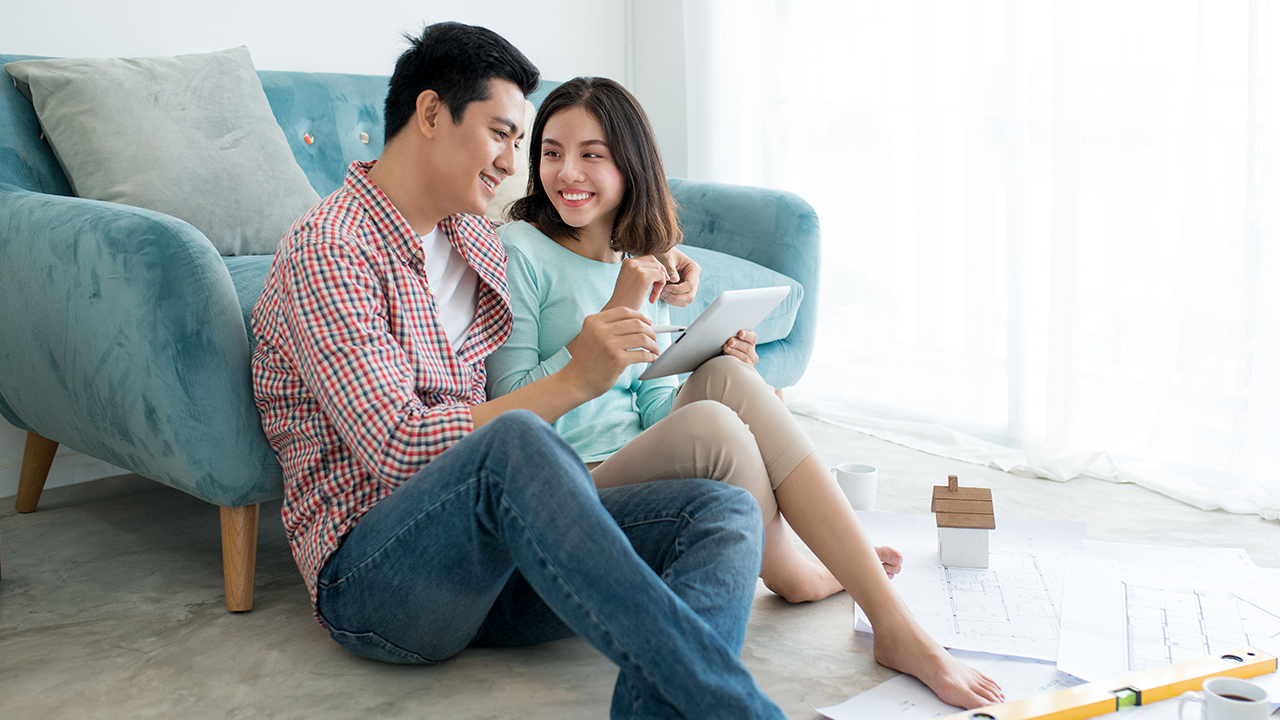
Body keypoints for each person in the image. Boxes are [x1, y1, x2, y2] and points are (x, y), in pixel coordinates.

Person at [250, 24, 788, 719]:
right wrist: (574, 380)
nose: (513, 161)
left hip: (504, 564)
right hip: (379, 582)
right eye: (502, 133)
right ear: (432, 114)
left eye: (516, 141)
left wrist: (666, 256)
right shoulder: (329, 250)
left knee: (722, 512)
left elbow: (578, 239)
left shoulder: (469, 232)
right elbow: (397, 449)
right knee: (517, 441)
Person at [485, 76, 1005, 709]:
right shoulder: (521, 250)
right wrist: (606, 329)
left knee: (731, 379)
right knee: (715, 426)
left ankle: (871, 611)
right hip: (565, 483)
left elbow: (650, 406)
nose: (568, 172)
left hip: (637, 467)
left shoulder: (640, 265)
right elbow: (508, 408)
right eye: (551, 152)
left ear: (630, 165)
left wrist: (704, 357)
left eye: (592, 153)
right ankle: (809, 579)